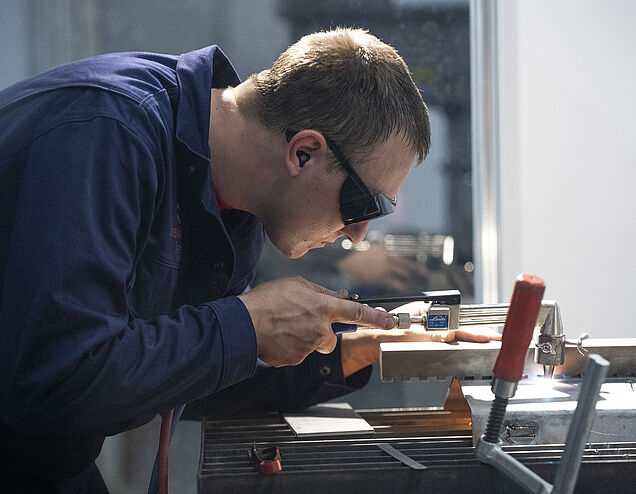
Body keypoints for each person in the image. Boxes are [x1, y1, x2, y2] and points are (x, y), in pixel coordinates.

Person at [0, 28, 498, 493]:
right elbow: (56, 378)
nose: (360, 232)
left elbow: (176, 373)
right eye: (365, 205)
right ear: (304, 152)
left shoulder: (235, 208)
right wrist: (246, 326)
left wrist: (350, 350)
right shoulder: (106, 133)